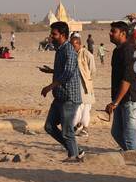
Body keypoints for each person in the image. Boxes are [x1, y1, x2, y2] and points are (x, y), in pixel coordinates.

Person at [40, 21, 83, 162]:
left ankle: (73, 155)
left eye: (54, 34)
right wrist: (51, 71)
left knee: (67, 130)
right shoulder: (60, 50)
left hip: (69, 97)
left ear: (63, 35)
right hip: (60, 96)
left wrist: (50, 86)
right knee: (49, 126)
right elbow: (64, 70)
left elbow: (69, 72)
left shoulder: (68, 49)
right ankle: (76, 151)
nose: (51, 37)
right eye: (51, 34)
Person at [105, 20, 136, 152]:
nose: (110, 34)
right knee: (116, 133)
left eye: (113, 31)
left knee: (129, 136)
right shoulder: (119, 50)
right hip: (122, 99)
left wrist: (115, 102)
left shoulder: (127, 50)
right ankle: (132, 154)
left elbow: (127, 79)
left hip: (131, 98)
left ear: (123, 33)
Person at [70, 31, 95, 137]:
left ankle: (85, 128)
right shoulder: (71, 54)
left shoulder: (87, 54)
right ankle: (76, 126)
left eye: (74, 45)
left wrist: (87, 80)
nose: (72, 47)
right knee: (77, 107)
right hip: (74, 86)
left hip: (85, 86)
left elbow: (92, 70)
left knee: (85, 108)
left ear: (79, 43)